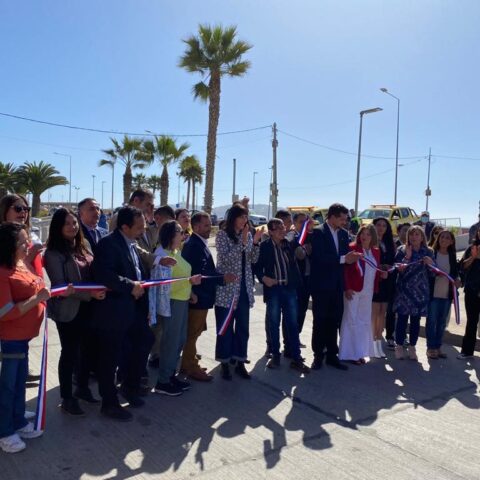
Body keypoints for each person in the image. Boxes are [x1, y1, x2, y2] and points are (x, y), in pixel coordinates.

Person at [91, 206, 154, 421]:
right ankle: (109, 402)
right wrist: (130, 286)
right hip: (114, 311)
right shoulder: (108, 244)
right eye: (139, 228)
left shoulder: (132, 244)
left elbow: (138, 272)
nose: (142, 232)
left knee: (144, 341)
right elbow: (104, 274)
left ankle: (130, 387)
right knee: (110, 358)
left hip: (134, 309)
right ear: (124, 227)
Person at [44, 208, 106, 416]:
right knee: (69, 353)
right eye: (67, 224)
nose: (73, 227)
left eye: (74, 222)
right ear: (58, 227)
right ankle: (67, 398)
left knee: (88, 350)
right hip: (69, 310)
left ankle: (82, 388)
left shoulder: (84, 245)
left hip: (91, 307)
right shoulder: (53, 253)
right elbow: (62, 286)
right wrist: (91, 294)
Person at [0, 223, 51, 453]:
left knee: (19, 383)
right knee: (8, 387)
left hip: (24, 338)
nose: (27, 245)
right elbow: (6, 312)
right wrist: (37, 298)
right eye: (22, 242)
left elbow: (36, 283)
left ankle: (18, 421)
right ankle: (4, 431)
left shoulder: (21, 263)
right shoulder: (2, 271)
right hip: (11, 339)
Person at [180, 212, 236, 381]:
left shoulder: (198, 242)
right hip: (199, 297)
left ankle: (188, 363)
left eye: (209, 224)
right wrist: (221, 278)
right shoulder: (193, 245)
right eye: (205, 225)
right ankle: (190, 367)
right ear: (195, 226)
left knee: (195, 332)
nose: (208, 228)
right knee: (192, 333)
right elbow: (199, 272)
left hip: (202, 297)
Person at [309, 203, 362, 371]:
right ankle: (318, 355)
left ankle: (332, 355)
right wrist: (343, 259)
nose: (344, 222)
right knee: (320, 321)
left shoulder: (344, 235)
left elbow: (347, 260)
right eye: (342, 218)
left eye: (346, 219)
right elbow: (319, 257)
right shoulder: (318, 232)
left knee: (334, 321)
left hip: (337, 286)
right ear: (332, 216)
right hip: (321, 286)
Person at [151, 221, 201, 396]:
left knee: (179, 340)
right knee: (171, 342)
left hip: (182, 300)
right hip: (171, 303)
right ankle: (163, 381)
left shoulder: (175, 252)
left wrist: (191, 291)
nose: (184, 234)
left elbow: (182, 276)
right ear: (171, 235)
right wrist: (189, 282)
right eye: (180, 231)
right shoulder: (162, 254)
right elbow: (163, 286)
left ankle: (170, 375)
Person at [255, 218, 310, 373]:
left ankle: (296, 358)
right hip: (274, 290)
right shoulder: (264, 247)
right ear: (270, 232)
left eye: (283, 227)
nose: (282, 230)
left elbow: (301, 255)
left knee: (292, 324)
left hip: (290, 289)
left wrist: (299, 238)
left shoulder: (289, 244)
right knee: (273, 323)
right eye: (277, 228)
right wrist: (264, 278)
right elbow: (257, 267)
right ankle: (275, 355)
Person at [214, 203, 262, 380]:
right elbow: (225, 260)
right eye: (242, 217)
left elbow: (252, 260)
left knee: (243, 327)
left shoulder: (247, 236)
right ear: (233, 218)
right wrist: (241, 243)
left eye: (246, 217)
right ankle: (225, 362)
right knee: (225, 327)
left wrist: (255, 243)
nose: (245, 220)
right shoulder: (222, 235)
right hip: (227, 290)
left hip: (244, 288)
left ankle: (240, 360)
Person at [339, 225, 384, 364]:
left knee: (364, 321)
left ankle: (360, 352)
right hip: (353, 290)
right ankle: (349, 354)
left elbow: (375, 270)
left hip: (368, 291)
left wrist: (383, 274)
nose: (364, 236)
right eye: (362, 233)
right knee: (351, 320)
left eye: (368, 234)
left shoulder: (375, 252)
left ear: (373, 237)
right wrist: (346, 288)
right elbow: (345, 270)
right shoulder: (352, 248)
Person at [393, 226, 434, 361]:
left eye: (417, 234)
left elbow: (433, 273)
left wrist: (431, 264)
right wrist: (407, 257)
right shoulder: (402, 250)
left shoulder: (428, 251)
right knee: (402, 320)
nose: (414, 237)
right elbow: (398, 270)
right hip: (404, 292)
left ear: (422, 237)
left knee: (416, 321)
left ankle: (412, 347)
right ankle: (399, 346)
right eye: (411, 234)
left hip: (420, 293)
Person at [148, 204, 176, 369]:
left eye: (159, 218)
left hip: (169, 291)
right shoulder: (152, 234)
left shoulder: (177, 236)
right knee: (156, 326)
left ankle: (161, 352)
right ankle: (155, 354)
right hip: (155, 288)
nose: (155, 221)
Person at [426, 230, 460, 359]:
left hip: (446, 295)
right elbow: (428, 272)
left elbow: (456, 273)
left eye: (447, 238)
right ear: (438, 239)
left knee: (441, 323)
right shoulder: (432, 253)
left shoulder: (452, 255)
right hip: (433, 294)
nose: (444, 239)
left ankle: (438, 347)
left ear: (451, 241)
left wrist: (458, 280)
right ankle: (430, 348)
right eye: (442, 237)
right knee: (431, 321)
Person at [0, 194, 43, 277]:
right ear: (4, 210)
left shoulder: (33, 238)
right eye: (18, 208)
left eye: (26, 209)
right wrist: (30, 256)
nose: (23, 212)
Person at [371, 217, 396, 357]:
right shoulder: (371, 242)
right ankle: (372, 342)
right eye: (378, 225)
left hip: (387, 281)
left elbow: (393, 261)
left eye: (384, 226)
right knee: (374, 313)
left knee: (382, 313)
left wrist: (388, 267)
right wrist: (379, 267)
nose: (381, 228)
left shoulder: (390, 243)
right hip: (375, 281)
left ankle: (378, 341)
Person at [457, 228, 480, 359]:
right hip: (472, 290)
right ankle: (467, 351)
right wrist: (474, 257)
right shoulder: (472, 248)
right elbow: (462, 267)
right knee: (472, 321)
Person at [292, 212, 312, 341]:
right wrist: (305, 249)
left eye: (306, 222)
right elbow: (300, 255)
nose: (304, 225)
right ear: (294, 223)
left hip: (309, 279)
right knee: (295, 311)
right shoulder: (292, 237)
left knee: (303, 309)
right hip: (296, 280)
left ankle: (296, 336)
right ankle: (291, 339)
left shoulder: (312, 237)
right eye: (301, 222)